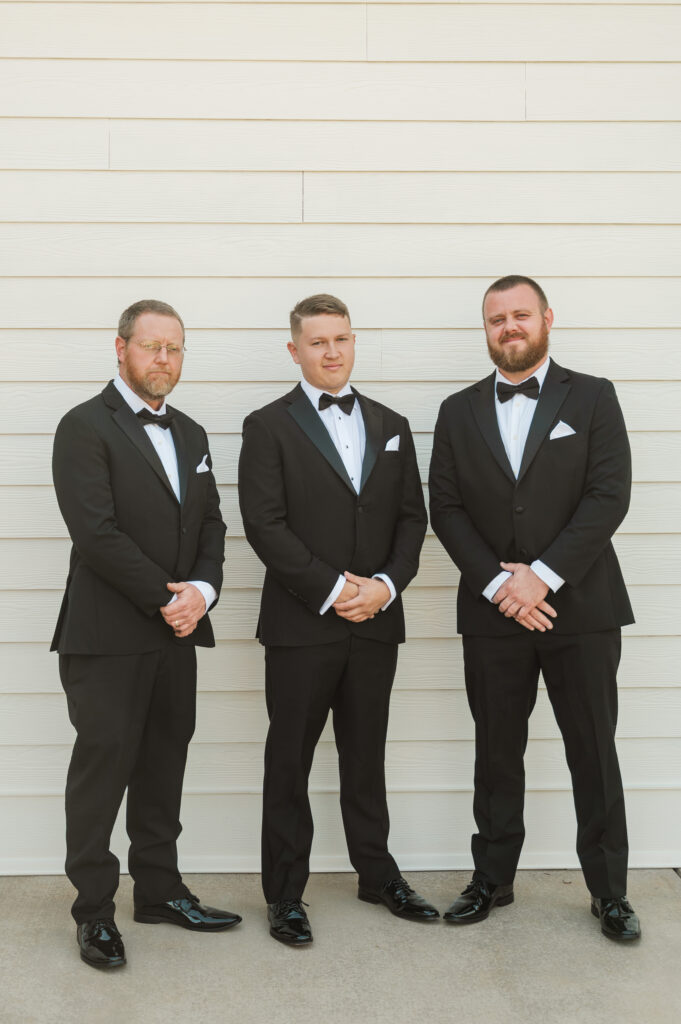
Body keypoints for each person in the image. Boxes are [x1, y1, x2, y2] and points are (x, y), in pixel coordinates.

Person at [428, 275, 641, 941]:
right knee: (496, 751)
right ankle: (491, 879)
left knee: (592, 751)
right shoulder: (456, 410)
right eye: (496, 319)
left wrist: (541, 578)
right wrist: (500, 587)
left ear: (547, 318)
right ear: (485, 329)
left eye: (520, 314)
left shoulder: (594, 396)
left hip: (582, 608)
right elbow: (446, 508)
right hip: (492, 612)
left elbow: (608, 495)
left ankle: (609, 893)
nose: (509, 327)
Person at [238, 293, 438, 945]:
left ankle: (377, 875)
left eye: (341, 339)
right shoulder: (266, 426)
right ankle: (284, 895)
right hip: (301, 624)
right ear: (294, 350)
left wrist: (384, 587)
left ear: (354, 342)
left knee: (366, 755)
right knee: (289, 761)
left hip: (376, 621)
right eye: (318, 341)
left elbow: (411, 518)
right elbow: (264, 524)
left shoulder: (391, 423)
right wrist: (331, 589)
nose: (332, 352)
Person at [52, 299, 241, 969]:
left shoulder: (191, 433)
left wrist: (203, 593)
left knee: (164, 764)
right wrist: (169, 599)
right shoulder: (83, 426)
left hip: (176, 633)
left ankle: (159, 891)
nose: (164, 358)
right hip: (106, 636)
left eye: (175, 348)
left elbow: (212, 523)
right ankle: (93, 911)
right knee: (102, 771)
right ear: (121, 348)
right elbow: (96, 533)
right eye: (152, 346)